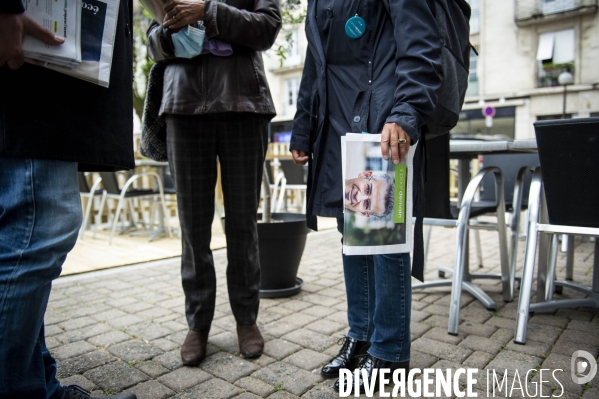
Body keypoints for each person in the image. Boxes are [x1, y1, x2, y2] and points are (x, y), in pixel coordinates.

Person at [290, 0, 442, 393]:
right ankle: (362, 336)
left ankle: (390, 352)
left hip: (382, 123)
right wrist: (303, 127)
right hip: (338, 125)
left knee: (382, 241)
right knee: (351, 237)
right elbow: (315, 62)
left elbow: (421, 43)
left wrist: (406, 111)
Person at [0, 1, 137, 398]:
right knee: (36, 230)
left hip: (49, 60)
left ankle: (38, 385)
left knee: (24, 240)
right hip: (32, 61)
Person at [146, 0, 281, 366]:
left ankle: (246, 320)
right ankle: (198, 324)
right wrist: (173, 33)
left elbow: (268, 27)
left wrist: (208, 11)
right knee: (192, 227)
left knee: (242, 223)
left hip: (244, 104)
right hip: (183, 105)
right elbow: (152, 44)